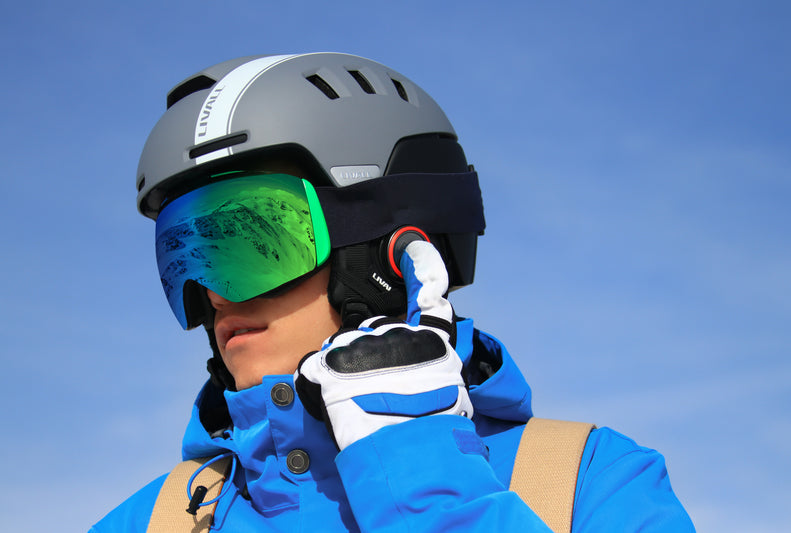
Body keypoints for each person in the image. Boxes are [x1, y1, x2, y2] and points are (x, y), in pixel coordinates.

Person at [91, 53, 695, 532]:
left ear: (388, 253)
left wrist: (419, 467)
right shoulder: (150, 522)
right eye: (187, 258)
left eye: (254, 244)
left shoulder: (588, 484)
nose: (214, 297)